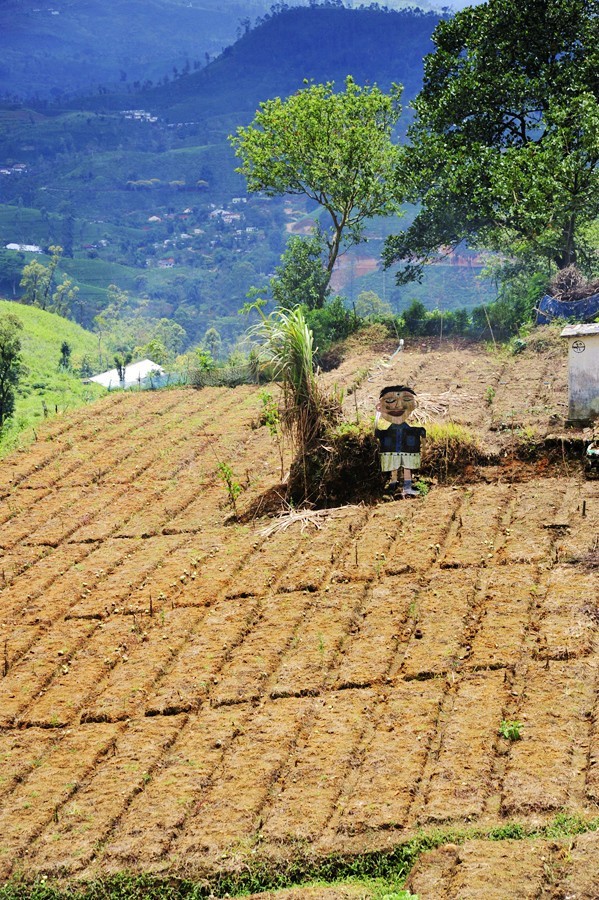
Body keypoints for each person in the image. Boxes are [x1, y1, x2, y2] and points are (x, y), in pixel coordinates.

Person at [375, 385, 426, 497]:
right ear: (379, 406)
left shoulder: (408, 429)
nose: (398, 406)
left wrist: (419, 432)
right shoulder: (389, 430)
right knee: (393, 466)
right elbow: (380, 435)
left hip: (406, 450)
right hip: (392, 451)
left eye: (406, 400)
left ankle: (406, 487)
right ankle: (393, 485)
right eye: (390, 401)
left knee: (406, 466)